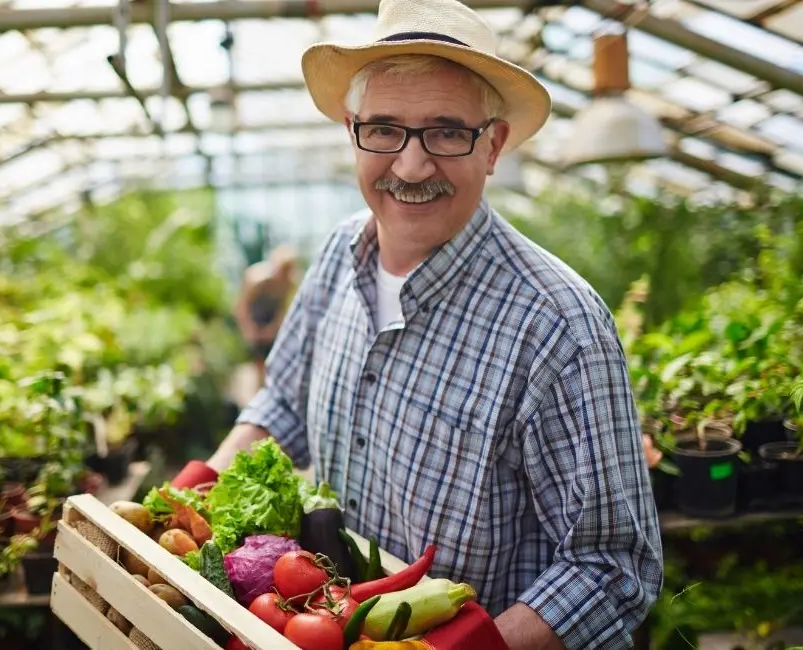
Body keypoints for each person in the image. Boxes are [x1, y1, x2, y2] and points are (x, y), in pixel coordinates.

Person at [174, 0, 664, 647]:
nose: (410, 166)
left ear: (493, 144)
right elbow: (284, 402)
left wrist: (460, 646)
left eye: (445, 131)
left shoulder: (557, 326)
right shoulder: (338, 253)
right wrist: (188, 504)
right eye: (385, 129)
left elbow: (613, 566)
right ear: (352, 130)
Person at [233, 244, 300, 386]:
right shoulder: (256, 279)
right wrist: (249, 330)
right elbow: (241, 307)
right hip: (254, 320)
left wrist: (272, 329)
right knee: (258, 366)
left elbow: (285, 310)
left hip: (271, 325)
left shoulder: (288, 283)